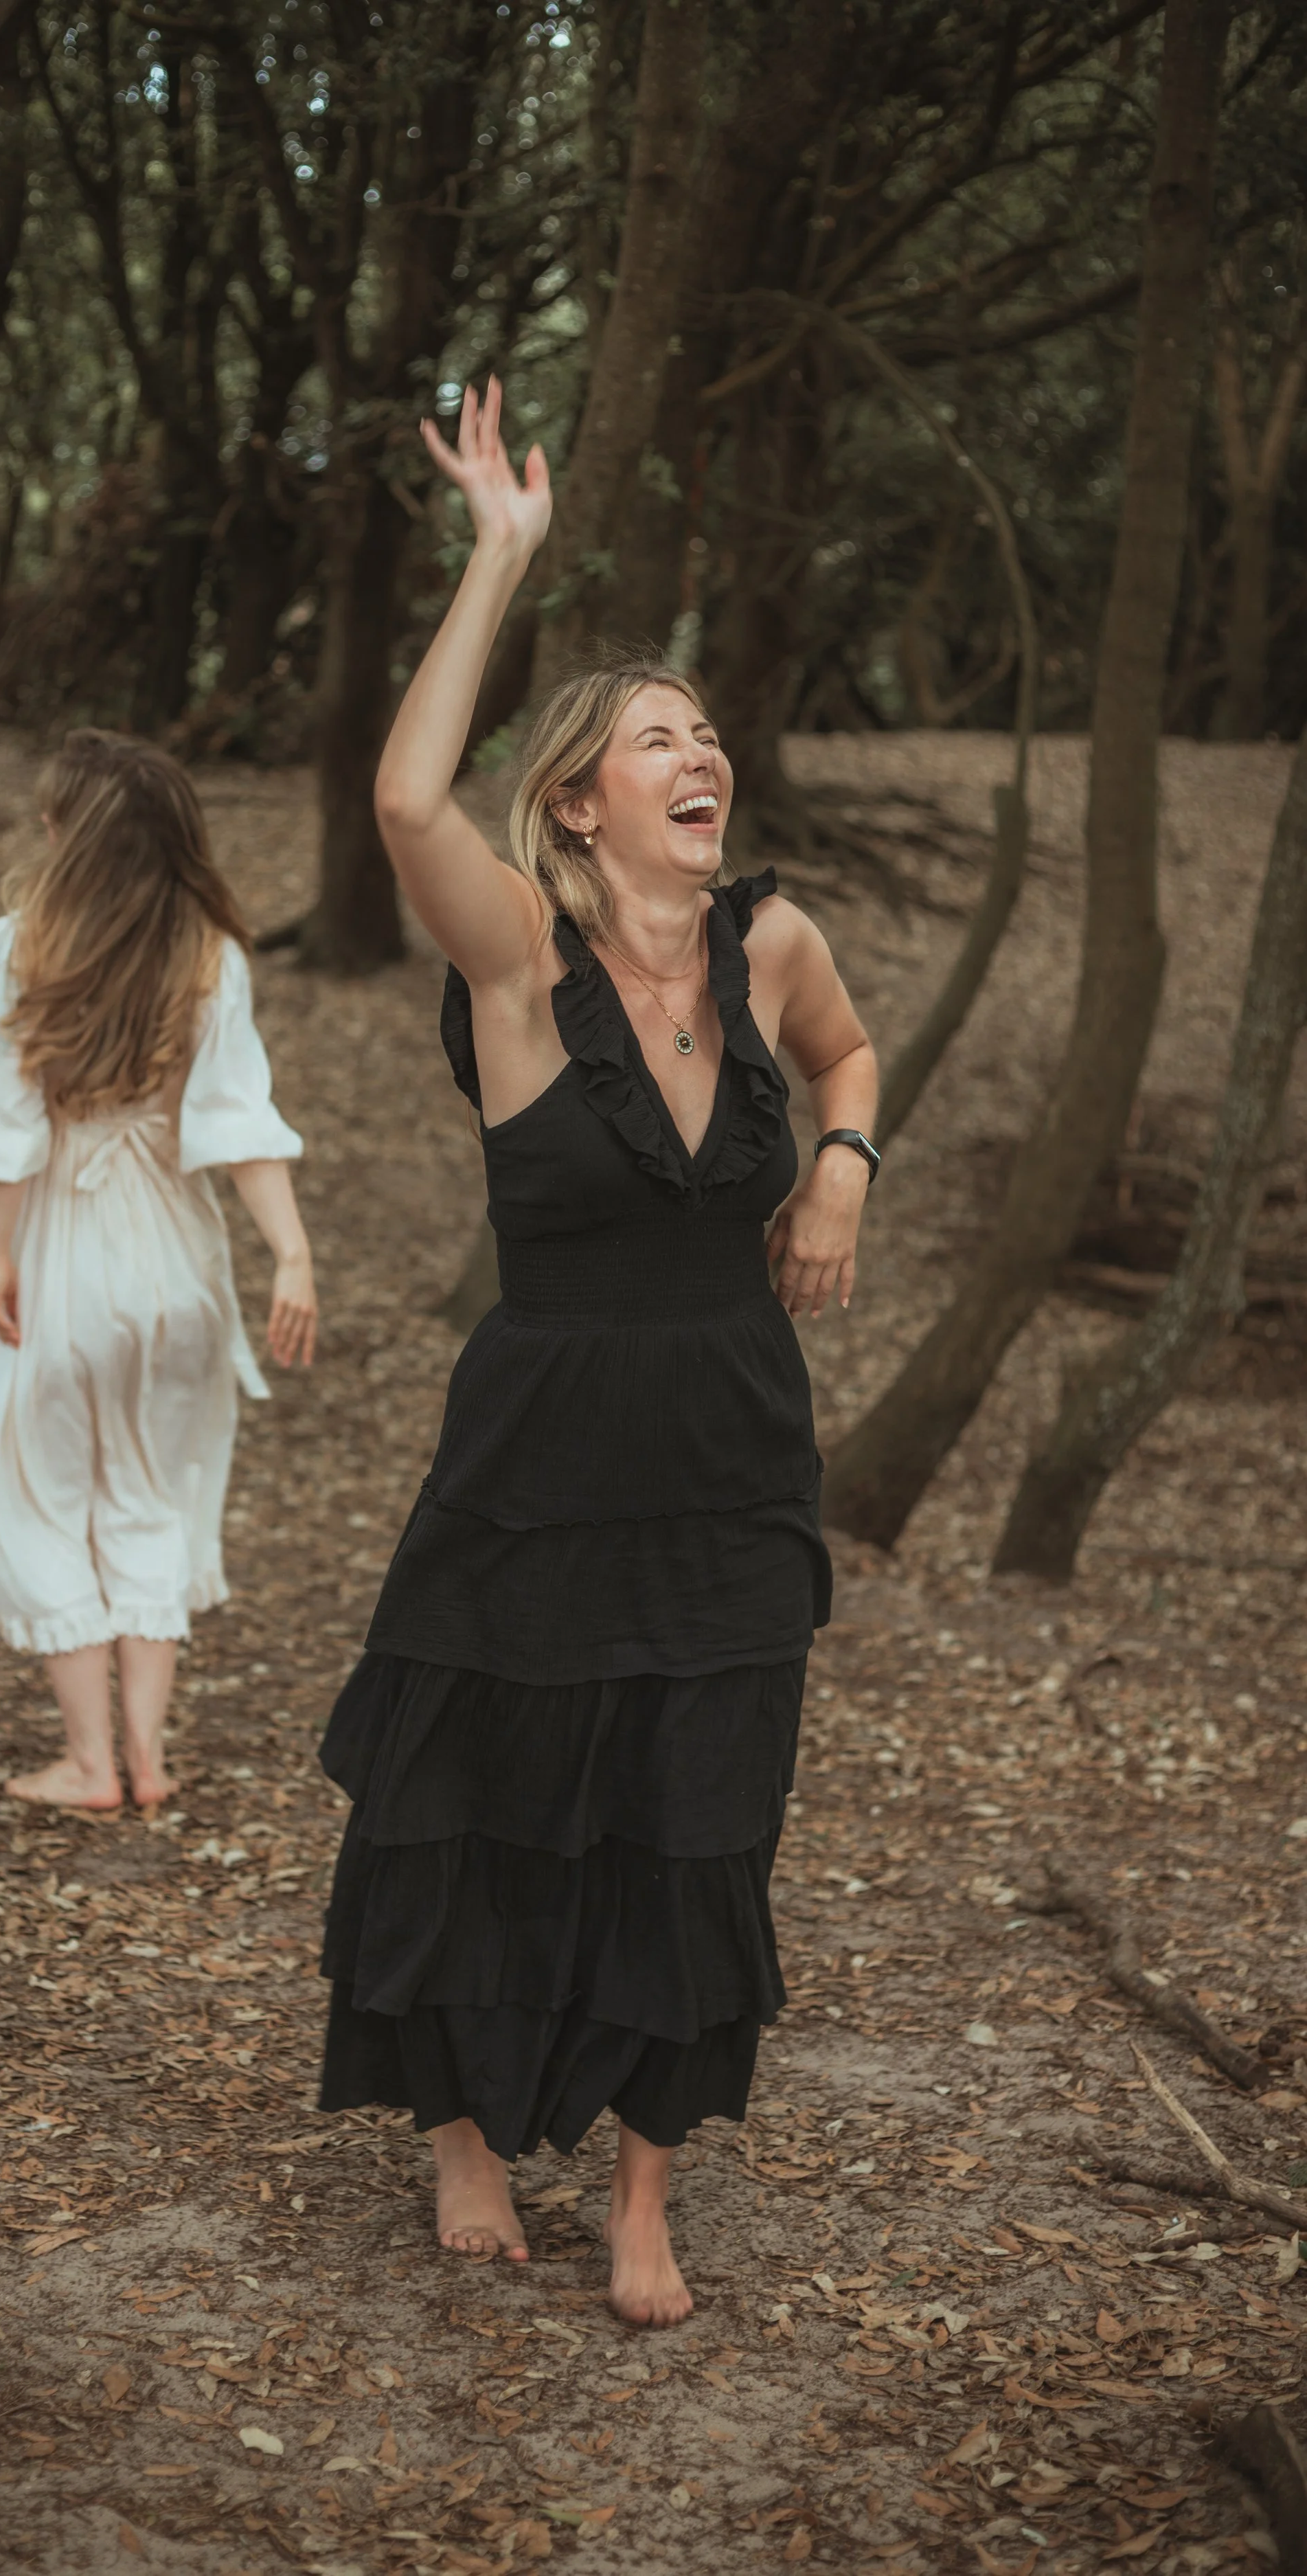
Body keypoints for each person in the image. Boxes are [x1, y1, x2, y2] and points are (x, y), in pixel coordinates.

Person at [315, 383, 878, 2326]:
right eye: (656, 737)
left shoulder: (772, 946)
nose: (697, 751)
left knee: (697, 1810)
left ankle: (645, 2189)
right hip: (539, 1453)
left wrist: (841, 1170)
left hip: (729, 1449)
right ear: (578, 800)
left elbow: (847, 1056)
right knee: (475, 1787)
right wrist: (499, 551)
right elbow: (405, 805)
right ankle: (461, 2131)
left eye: (704, 733)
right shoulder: (517, 963)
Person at [0, 728, 316, 1814]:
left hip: (64, 1251)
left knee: (41, 1488)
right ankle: (148, 1758)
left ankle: (90, 1762)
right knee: (151, 1489)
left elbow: (4, 1123)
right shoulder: (210, 956)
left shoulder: (21, 946)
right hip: (173, 1265)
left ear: (74, 834)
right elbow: (237, 1124)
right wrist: (291, 1254)